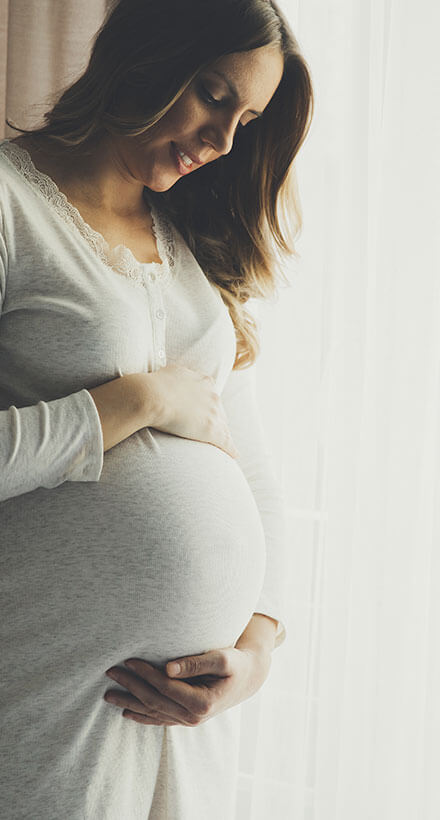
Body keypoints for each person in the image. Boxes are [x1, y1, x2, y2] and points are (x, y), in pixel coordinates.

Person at [0, 0, 313, 817]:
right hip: (43, 695)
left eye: (245, 119)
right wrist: (130, 402)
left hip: (187, 721)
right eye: (213, 94)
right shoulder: (10, 206)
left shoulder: (189, 251)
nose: (223, 142)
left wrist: (256, 651)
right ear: (144, 55)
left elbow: (255, 476)